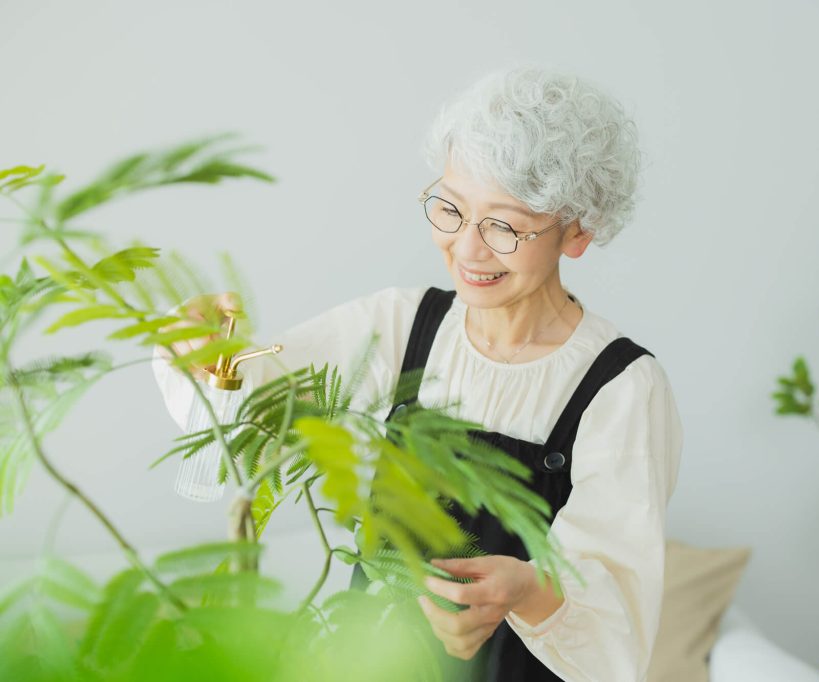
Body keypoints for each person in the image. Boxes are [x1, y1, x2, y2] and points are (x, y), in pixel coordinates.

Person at [152, 64, 683, 681]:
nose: (467, 248)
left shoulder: (621, 388)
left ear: (578, 230)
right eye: (451, 209)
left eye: (505, 225)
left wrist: (528, 590)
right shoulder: (403, 325)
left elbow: (616, 620)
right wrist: (199, 350)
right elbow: (246, 425)